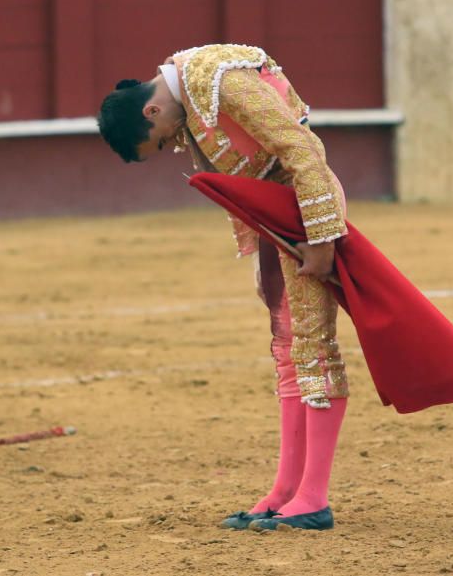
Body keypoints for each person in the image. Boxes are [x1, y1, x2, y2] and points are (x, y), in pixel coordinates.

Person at [97, 44, 349, 531]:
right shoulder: (189, 100)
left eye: (160, 137)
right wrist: (260, 254)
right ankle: (285, 490)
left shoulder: (219, 82)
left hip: (305, 213)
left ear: (152, 110)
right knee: (286, 349)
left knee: (314, 346)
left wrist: (321, 238)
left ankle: (313, 497)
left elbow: (302, 149)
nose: (172, 142)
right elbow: (243, 177)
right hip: (277, 219)